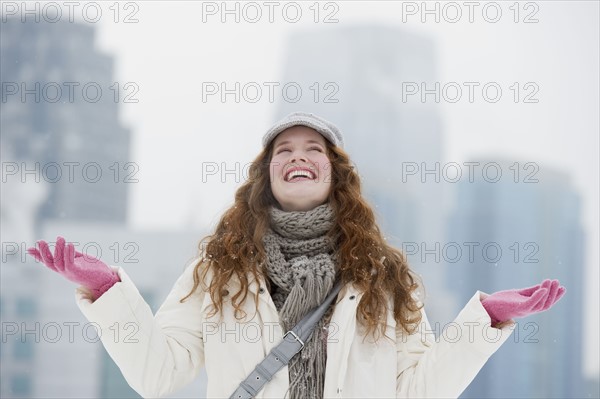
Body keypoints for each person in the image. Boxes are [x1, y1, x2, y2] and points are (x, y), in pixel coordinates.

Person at [28, 111, 566, 399]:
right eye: (283, 151)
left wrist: (486, 320)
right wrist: (108, 293)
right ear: (267, 175)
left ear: (336, 175)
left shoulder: (384, 276)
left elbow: (419, 390)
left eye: (313, 150)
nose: (298, 157)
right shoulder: (220, 270)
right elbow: (157, 374)